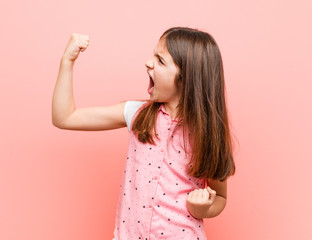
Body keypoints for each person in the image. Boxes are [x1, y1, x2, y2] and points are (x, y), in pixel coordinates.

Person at [52, 26, 236, 240]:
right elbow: (65, 117)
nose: (148, 63)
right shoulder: (136, 114)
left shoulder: (209, 134)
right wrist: (67, 62)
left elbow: (220, 196)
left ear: (185, 77)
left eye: (160, 60)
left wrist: (202, 208)